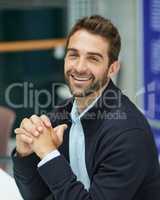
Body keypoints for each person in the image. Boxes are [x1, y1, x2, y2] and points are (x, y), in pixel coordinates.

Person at [12, 15, 160, 200]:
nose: (80, 67)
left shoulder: (128, 134)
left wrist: (49, 154)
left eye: (93, 59)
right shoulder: (64, 114)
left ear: (113, 68)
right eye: (73, 55)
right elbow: (37, 196)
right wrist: (26, 155)